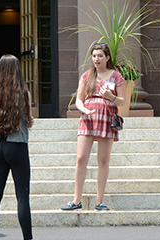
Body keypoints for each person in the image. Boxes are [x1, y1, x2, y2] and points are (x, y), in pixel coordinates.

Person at [0, 54, 51, 240]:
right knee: (22, 196)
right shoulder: (23, 93)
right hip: (17, 146)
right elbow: (29, 120)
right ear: (17, 70)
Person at [60, 43, 125, 211]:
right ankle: (76, 200)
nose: (96, 59)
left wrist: (111, 97)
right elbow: (79, 99)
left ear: (107, 57)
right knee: (81, 158)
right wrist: (82, 109)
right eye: (94, 55)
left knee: (103, 160)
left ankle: (99, 201)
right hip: (88, 118)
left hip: (106, 117)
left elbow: (124, 101)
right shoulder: (87, 75)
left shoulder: (116, 76)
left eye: (100, 56)